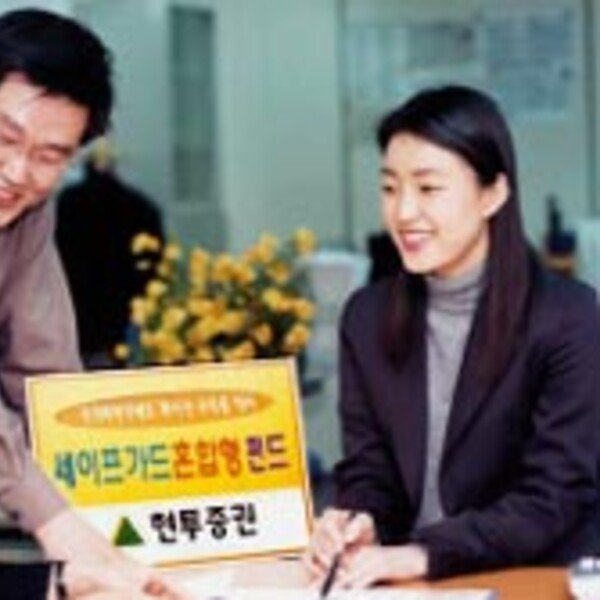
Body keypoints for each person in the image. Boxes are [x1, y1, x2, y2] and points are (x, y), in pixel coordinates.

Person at [305, 86, 600, 587]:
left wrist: (422, 554)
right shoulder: (366, 318)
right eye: (390, 188)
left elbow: (552, 497)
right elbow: (371, 472)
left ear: (492, 194)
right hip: (413, 585)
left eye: (428, 188)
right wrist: (358, 522)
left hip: (531, 580)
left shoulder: (568, 316)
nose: (403, 212)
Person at [0, 8, 185, 599]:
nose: (17, 171)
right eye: (5, 138)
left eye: (50, 155)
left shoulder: (29, 211)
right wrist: (57, 523)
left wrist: (115, 516)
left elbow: (42, 370)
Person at [56, 137, 164, 367]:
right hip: (126, 315)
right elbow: (155, 265)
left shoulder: (66, 205)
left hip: (78, 314)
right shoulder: (141, 207)